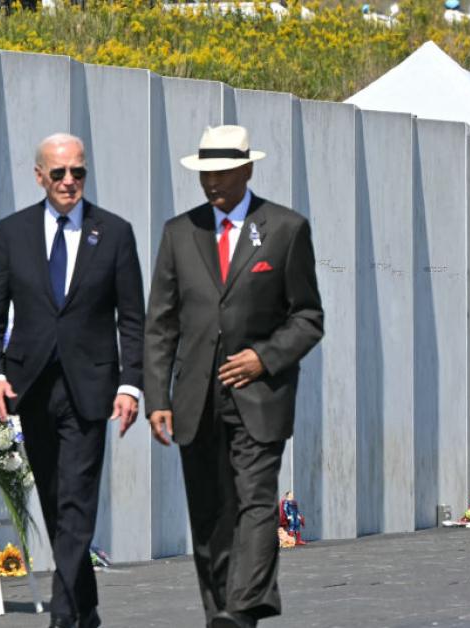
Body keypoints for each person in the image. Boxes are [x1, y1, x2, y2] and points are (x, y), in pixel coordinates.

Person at [143, 125, 324, 628]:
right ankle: (219, 612)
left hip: (260, 395)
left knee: (256, 502)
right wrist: (158, 395)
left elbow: (309, 317)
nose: (212, 182)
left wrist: (263, 358)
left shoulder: (286, 229)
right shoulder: (180, 233)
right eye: (205, 173)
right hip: (195, 399)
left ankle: (242, 609)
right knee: (210, 514)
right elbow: (161, 323)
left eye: (222, 172)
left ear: (247, 169)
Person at [0, 133, 146, 628]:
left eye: (78, 172)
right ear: (39, 177)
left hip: (91, 388)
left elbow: (132, 318)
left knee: (77, 498)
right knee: (55, 500)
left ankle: (64, 616)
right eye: (59, 173)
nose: (70, 181)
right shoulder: (13, 232)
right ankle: (87, 608)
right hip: (31, 387)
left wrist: (130, 384)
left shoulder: (113, 232)